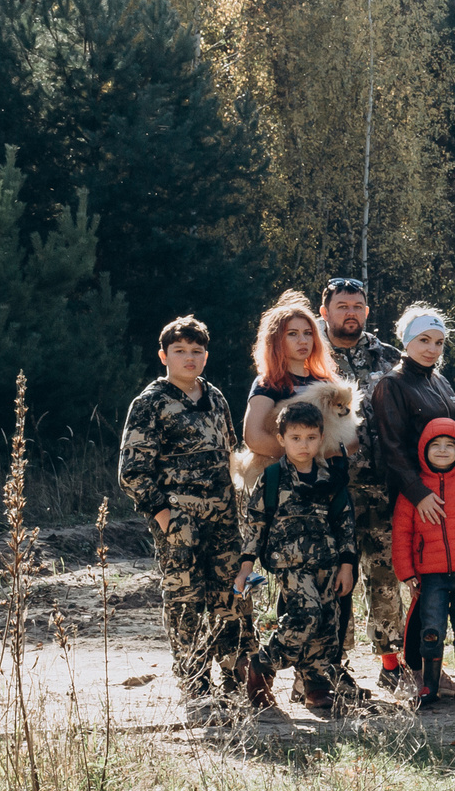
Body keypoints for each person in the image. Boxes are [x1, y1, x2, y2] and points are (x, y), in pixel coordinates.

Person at [120, 317, 257, 718]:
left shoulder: (214, 397)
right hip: (180, 525)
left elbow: (232, 455)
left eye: (196, 351)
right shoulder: (150, 403)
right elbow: (132, 471)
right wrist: (164, 516)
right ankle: (196, 688)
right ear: (164, 356)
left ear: (206, 355)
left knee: (230, 598)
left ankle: (233, 684)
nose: (189, 358)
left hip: (225, 522)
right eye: (180, 351)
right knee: (185, 602)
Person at [365, 307, 455, 696]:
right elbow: (391, 448)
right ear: (406, 340)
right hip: (417, 496)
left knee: (446, 579)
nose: (432, 349)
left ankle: (433, 667)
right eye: (424, 340)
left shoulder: (439, 381)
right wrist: (419, 494)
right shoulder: (392, 384)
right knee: (423, 583)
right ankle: (414, 668)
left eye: (439, 342)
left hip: (449, 494)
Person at [236, 399, 356, 715]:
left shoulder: (332, 477)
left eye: (311, 437)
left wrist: (347, 565)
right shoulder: (273, 477)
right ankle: (263, 665)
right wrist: (246, 565)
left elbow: (345, 524)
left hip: (328, 563)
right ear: (281, 439)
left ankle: (316, 686)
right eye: (295, 438)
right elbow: (255, 522)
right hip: (289, 563)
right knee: (307, 614)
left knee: (328, 623)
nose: (304, 445)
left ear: (321, 437)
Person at [319, 278, 405, 682]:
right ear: (326, 312)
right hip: (328, 488)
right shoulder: (308, 354)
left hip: (383, 487)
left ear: (367, 312)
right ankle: (335, 666)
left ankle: (392, 663)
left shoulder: (389, 357)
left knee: (385, 573)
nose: (350, 312)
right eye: (341, 306)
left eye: (357, 306)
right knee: (336, 575)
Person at [388, 414, 455, 705]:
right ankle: (429, 686)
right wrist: (406, 572)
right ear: (423, 449)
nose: (442, 450)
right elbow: (401, 533)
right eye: (435, 444)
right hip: (431, 575)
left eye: (449, 445)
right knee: (432, 630)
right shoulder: (414, 489)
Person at [240, 292, 340, 482]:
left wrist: (320, 455)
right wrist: (303, 456)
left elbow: (350, 440)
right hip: (283, 486)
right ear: (276, 340)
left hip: (325, 483)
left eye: (308, 333)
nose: (303, 340)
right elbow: (254, 437)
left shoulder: (327, 383)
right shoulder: (268, 383)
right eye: (292, 334)